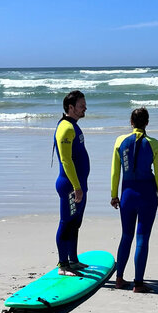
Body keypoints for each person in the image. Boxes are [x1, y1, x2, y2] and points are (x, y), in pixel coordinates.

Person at [110, 107, 158, 293]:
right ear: (147, 123)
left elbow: (115, 172)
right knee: (142, 237)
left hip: (127, 194)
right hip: (147, 195)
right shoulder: (154, 144)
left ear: (131, 122)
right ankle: (138, 283)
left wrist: (114, 195)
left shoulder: (120, 141)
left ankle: (119, 279)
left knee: (126, 236)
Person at [53, 90, 90, 276]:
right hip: (70, 185)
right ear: (70, 107)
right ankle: (63, 264)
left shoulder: (74, 126)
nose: (85, 108)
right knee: (66, 223)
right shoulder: (66, 128)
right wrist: (76, 187)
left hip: (79, 185)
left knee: (75, 223)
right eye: (81, 105)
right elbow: (66, 160)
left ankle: (73, 260)